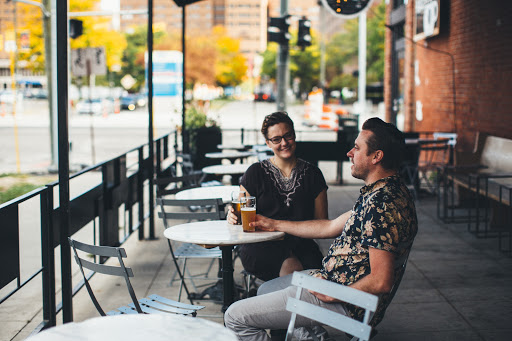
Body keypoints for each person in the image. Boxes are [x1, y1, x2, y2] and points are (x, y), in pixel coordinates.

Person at [225, 117, 418, 341]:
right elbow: (330, 225)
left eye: (356, 147)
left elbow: (381, 280)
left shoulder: (381, 206)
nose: (349, 152)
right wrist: (274, 224)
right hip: (331, 279)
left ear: (376, 156)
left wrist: (333, 292)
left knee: (234, 317)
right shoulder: (387, 192)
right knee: (266, 290)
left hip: (342, 298)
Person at [227, 111, 328, 281]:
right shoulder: (255, 173)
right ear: (268, 143)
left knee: (320, 275)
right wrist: (232, 216)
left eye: (288, 136)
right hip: (260, 245)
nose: (284, 143)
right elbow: (242, 215)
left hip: (301, 244)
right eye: (276, 139)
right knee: (292, 268)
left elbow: (322, 225)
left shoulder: (313, 174)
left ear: (294, 135)